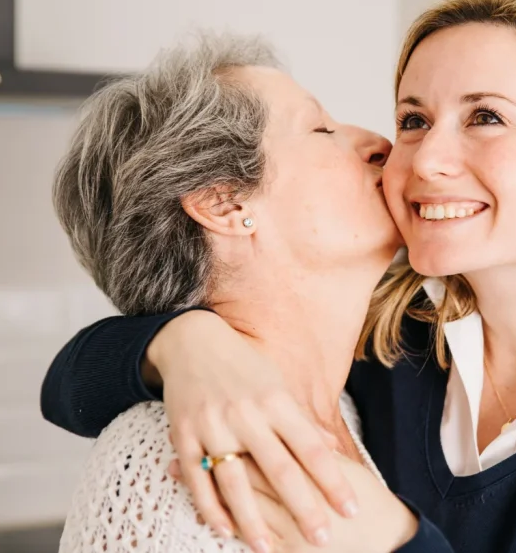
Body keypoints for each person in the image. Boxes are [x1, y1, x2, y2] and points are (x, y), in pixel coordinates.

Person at [43, 0, 516, 553]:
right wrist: (182, 344)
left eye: (486, 117)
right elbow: (71, 383)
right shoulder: (381, 329)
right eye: (413, 118)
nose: (421, 158)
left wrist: (386, 533)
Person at [49, 33, 453, 553]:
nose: (381, 143)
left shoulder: (354, 406)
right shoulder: (167, 464)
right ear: (223, 204)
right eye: (321, 127)